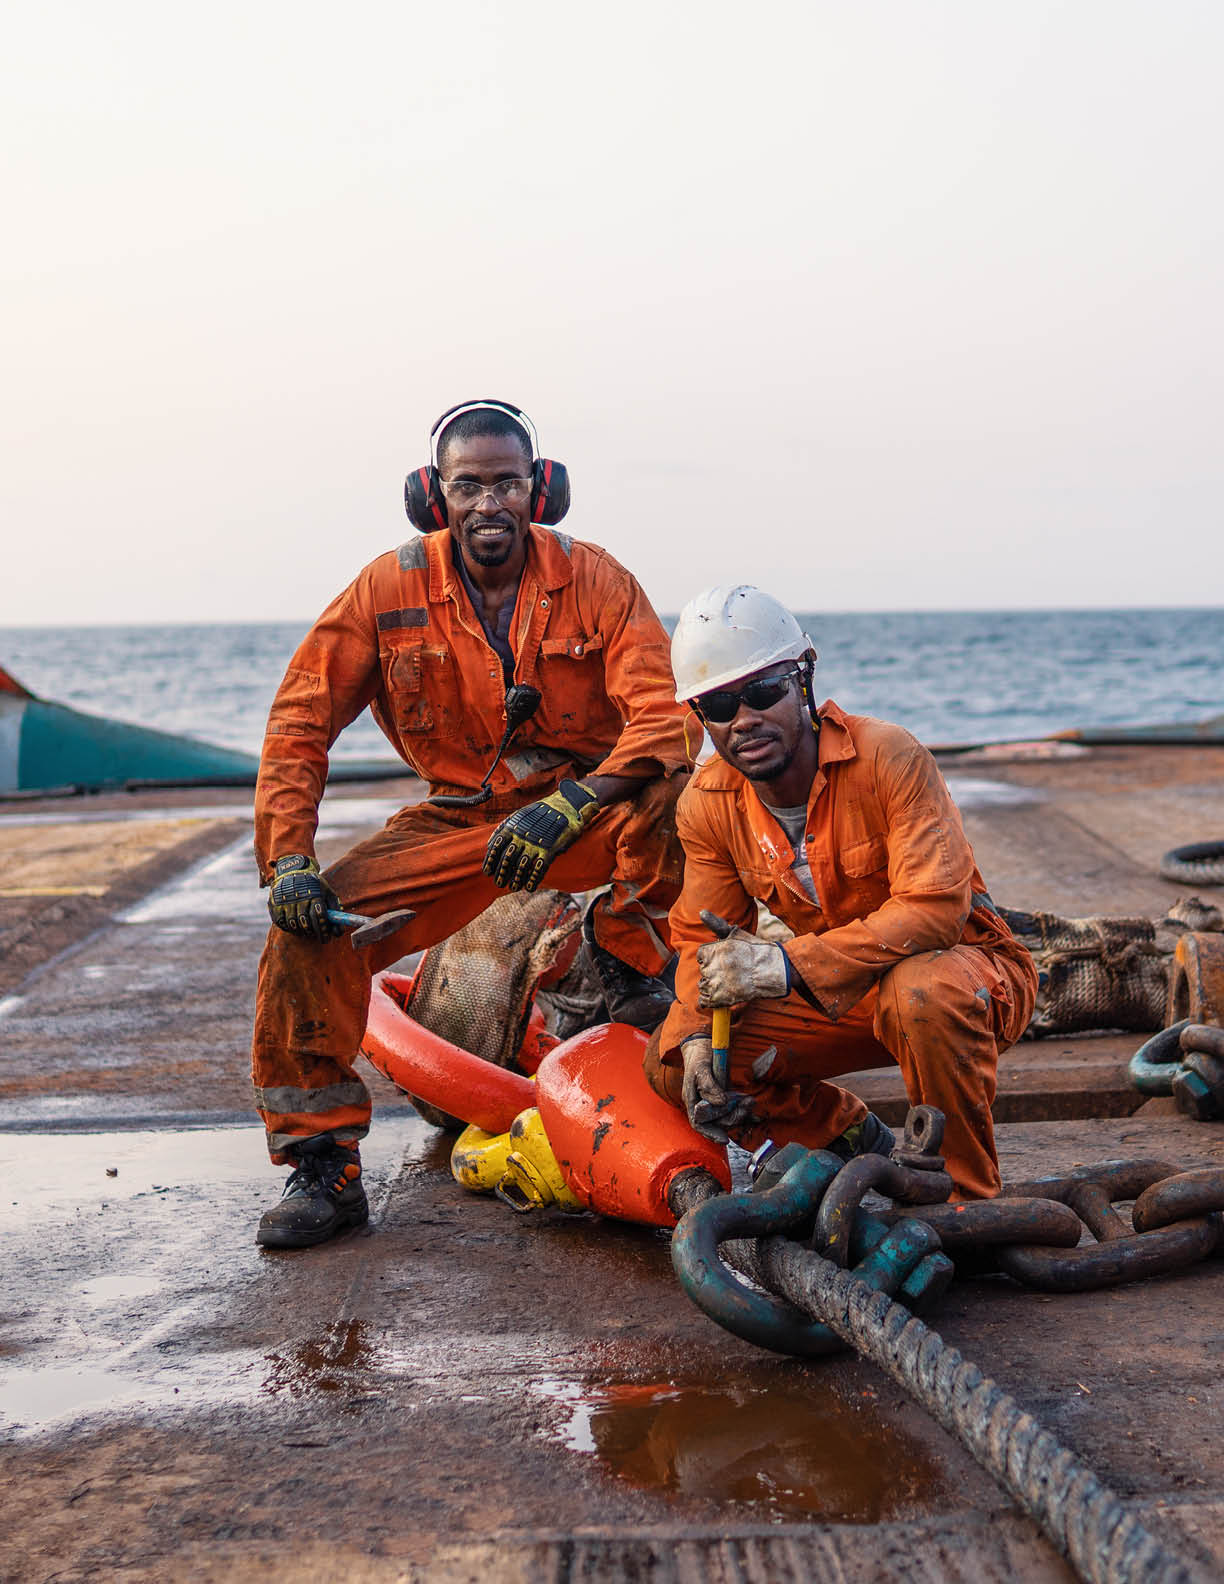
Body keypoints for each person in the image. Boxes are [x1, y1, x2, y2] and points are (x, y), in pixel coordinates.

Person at [253, 400, 688, 1248]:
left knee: (681, 793)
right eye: (469, 485)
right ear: (433, 494)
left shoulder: (595, 579)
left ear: (541, 489)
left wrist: (577, 802)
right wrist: (289, 862)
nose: (489, 503)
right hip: (456, 821)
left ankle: (629, 954)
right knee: (307, 935)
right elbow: (298, 724)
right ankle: (323, 1168)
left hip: (580, 813)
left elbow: (665, 719)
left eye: (507, 483)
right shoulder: (387, 589)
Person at [644, 585, 1037, 1200]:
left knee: (921, 993)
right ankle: (854, 1142)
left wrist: (783, 963)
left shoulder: (888, 758)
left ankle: (969, 1200)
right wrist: (696, 1040)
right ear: (700, 718)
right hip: (842, 988)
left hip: (966, 977)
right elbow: (700, 938)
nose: (744, 719)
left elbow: (934, 911)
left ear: (802, 680)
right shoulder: (708, 804)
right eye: (719, 704)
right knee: (675, 1066)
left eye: (763, 692)